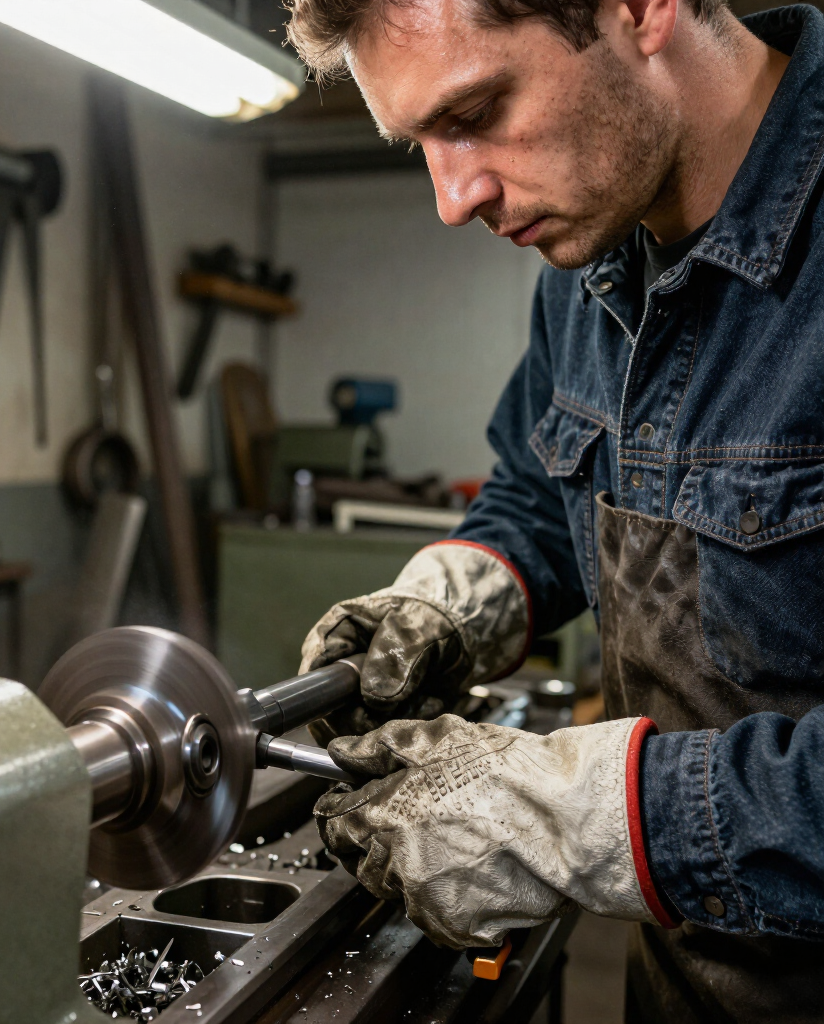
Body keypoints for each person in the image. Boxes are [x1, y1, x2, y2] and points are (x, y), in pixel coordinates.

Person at [284, 0, 824, 1018]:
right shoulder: (593, 251)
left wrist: (580, 819)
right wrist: (453, 601)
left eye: (477, 109)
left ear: (640, 9)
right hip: (686, 983)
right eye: (422, 144)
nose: (455, 197)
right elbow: (546, 486)